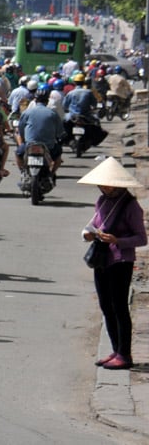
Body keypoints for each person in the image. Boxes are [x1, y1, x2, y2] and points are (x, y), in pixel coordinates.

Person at [79, 158, 147, 370]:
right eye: (103, 184)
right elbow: (93, 224)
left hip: (121, 261)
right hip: (102, 259)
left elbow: (142, 239)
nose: (106, 187)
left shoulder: (131, 206)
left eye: (110, 184)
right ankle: (116, 349)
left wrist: (118, 241)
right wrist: (88, 234)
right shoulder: (101, 201)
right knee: (105, 306)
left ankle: (124, 354)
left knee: (119, 307)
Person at [15, 86, 65, 181]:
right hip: (48, 146)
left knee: (18, 153)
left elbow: (21, 129)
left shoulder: (27, 112)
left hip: (29, 144)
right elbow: (60, 131)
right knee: (58, 156)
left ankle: (23, 172)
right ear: (47, 101)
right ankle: (52, 174)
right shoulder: (52, 113)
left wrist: (23, 139)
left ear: (35, 100)